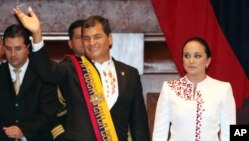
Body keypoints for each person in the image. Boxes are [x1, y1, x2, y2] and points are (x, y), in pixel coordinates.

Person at [14, 7, 150, 141]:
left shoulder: (130, 74)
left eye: (97, 37)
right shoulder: (72, 68)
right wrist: (37, 34)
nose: (92, 43)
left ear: (109, 39)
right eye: (86, 38)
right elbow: (46, 71)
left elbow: (139, 124)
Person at [152, 37, 236, 141]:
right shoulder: (169, 88)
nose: (191, 61)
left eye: (197, 56)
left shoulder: (223, 89)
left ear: (208, 61)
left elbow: (229, 134)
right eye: (187, 56)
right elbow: (159, 133)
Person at [0, 24, 60, 141]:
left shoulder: (44, 74)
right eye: (8, 48)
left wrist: (23, 131)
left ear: (28, 48)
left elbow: (49, 113)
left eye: (18, 48)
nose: (12, 54)